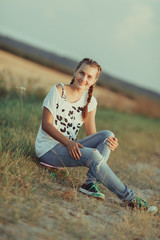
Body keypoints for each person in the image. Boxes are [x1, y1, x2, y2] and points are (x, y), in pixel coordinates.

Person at [35, 58, 157, 213]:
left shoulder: (91, 101)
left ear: (94, 81)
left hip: (68, 148)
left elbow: (92, 135)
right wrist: (69, 143)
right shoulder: (59, 90)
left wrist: (109, 143)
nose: (84, 78)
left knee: (107, 135)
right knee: (93, 156)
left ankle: (90, 183)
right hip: (48, 149)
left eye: (89, 77)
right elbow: (46, 125)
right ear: (75, 72)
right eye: (82, 73)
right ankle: (130, 198)